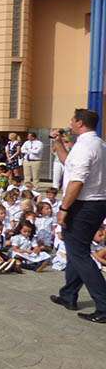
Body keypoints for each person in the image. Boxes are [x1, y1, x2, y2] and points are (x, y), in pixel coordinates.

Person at [50, 109, 106, 323]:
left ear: (80, 123)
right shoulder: (98, 144)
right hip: (96, 203)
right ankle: (68, 295)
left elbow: (77, 181)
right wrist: (58, 143)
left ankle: (103, 304)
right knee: (76, 250)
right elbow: (68, 163)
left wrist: (64, 209)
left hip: (83, 205)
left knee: (80, 254)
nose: (69, 123)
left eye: (72, 120)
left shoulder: (84, 147)